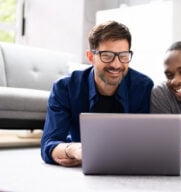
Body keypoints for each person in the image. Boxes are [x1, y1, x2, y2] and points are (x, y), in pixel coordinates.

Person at [41, 20, 154, 167]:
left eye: (123, 56)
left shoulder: (143, 86)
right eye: (107, 55)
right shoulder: (65, 88)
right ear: (90, 57)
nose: (116, 64)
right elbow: (49, 145)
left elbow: (144, 142)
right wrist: (72, 149)